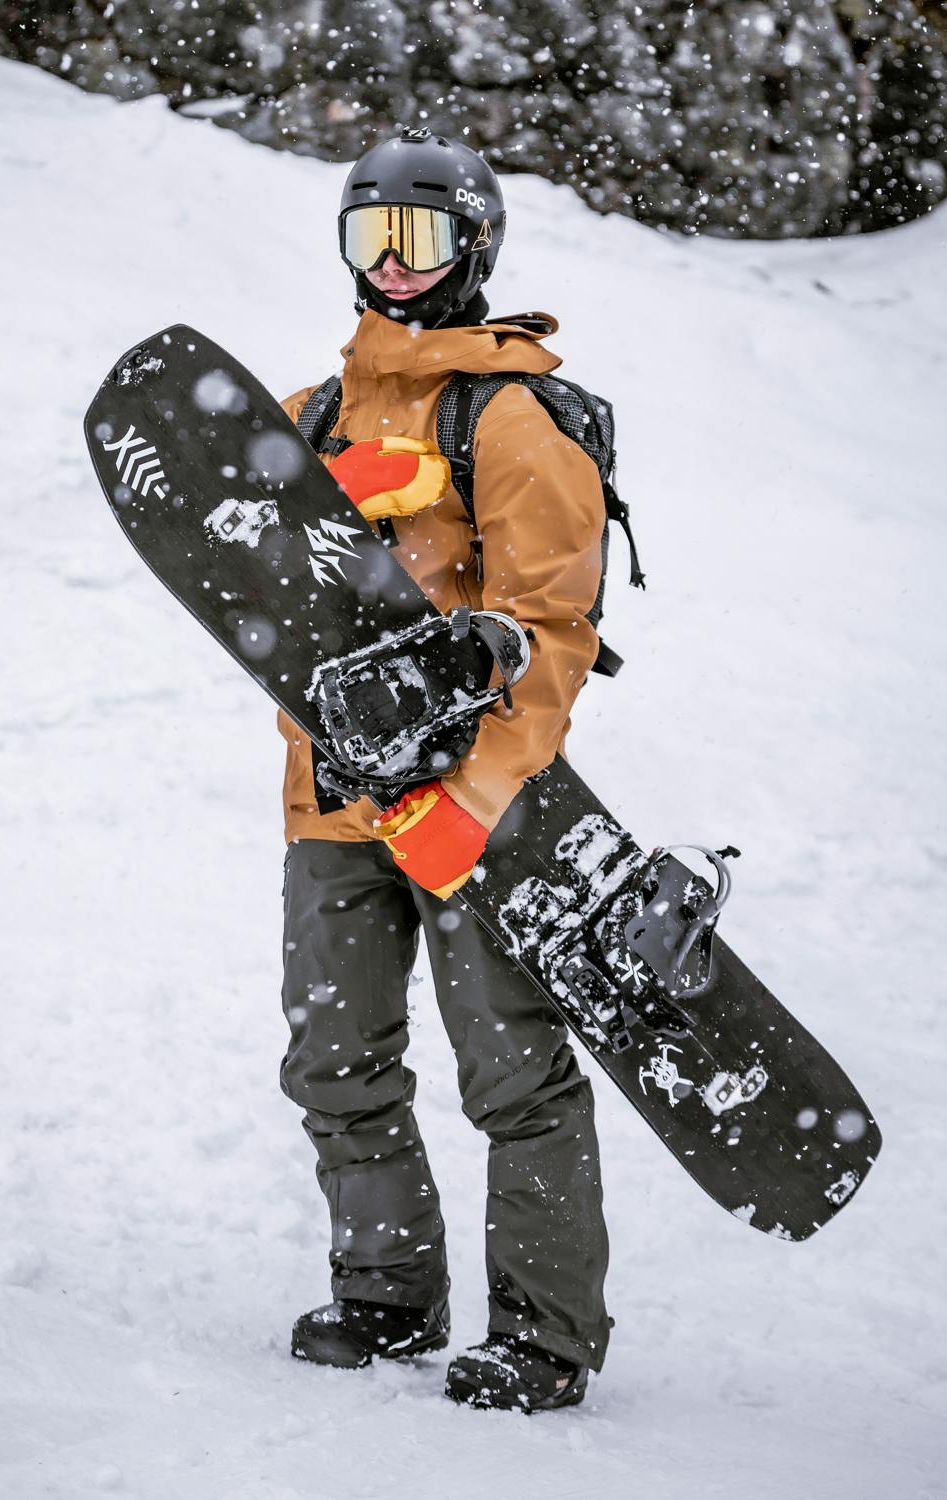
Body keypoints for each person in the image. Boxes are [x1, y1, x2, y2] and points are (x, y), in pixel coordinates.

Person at [277, 126, 610, 1412]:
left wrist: (475, 774)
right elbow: (268, 597)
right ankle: (387, 1295)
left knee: (512, 1077)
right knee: (335, 1061)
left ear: (476, 245)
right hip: (329, 802)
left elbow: (556, 628)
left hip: (470, 808)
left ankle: (543, 1335)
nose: (395, 267)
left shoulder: (509, 415)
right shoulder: (311, 413)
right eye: (372, 238)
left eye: (420, 238)